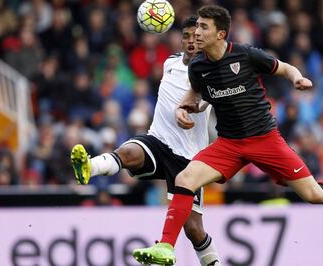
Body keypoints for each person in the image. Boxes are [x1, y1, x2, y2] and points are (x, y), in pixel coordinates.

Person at [132, 5, 323, 265]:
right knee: (185, 178)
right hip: (229, 144)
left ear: (221, 34)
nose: (196, 33)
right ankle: (166, 247)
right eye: (196, 27)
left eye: (203, 27)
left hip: (265, 140)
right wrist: (183, 107)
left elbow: (284, 67)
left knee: (313, 195)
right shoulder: (198, 66)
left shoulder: (245, 55)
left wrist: (297, 78)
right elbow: (196, 92)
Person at [71, 16, 221, 266]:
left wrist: (195, 107)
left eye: (196, 37)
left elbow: (207, 99)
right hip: (158, 141)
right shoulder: (170, 62)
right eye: (186, 37)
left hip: (188, 159)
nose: (191, 42)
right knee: (128, 152)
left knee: (194, 229)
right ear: (180, 40)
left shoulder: (211, 71)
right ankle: (90, 167)